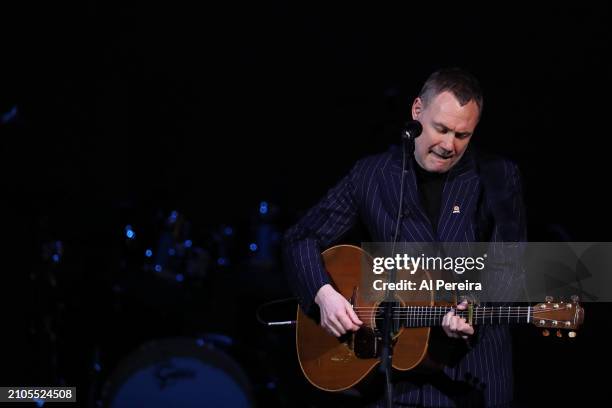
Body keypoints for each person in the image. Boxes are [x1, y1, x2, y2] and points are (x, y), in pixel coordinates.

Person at [283, 67, 526, 407]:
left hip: (473, 380)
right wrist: (324, 295)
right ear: (416, 112)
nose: (448, 145)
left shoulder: (497, 176)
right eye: (440, 129)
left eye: (462, 135)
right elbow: (301, 238)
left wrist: (475, 305)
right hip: (392, 382)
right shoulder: (372, 175)